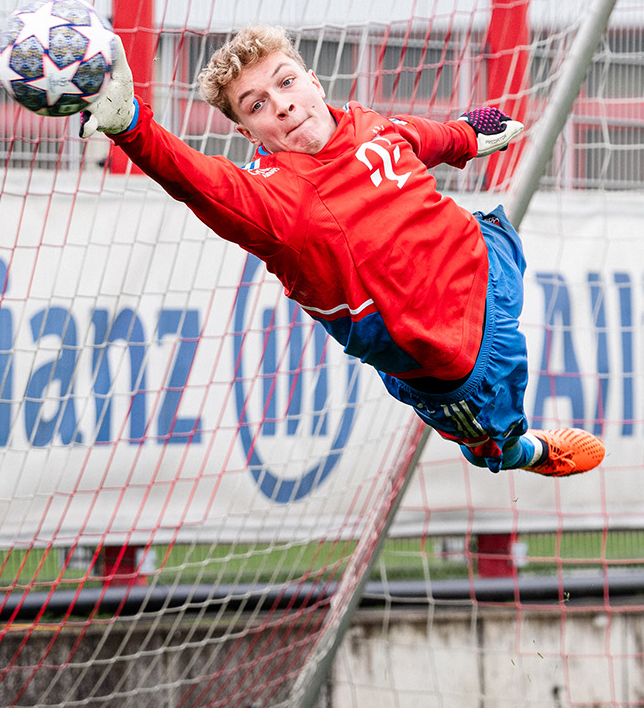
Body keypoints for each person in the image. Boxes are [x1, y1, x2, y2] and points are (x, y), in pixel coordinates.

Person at [76, 25, 603, 478]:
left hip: (486, 261)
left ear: (313, 80)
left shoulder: (364, 122)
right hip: (456, 358)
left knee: (494, 231)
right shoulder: (273, 202)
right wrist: (132, 127)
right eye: (257, 104)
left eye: (285, 82)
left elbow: (417, 138)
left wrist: (466, 136)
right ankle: (520, 451)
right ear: (245, 131)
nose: (282, 104)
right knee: (497, 432)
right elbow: (196, 180)